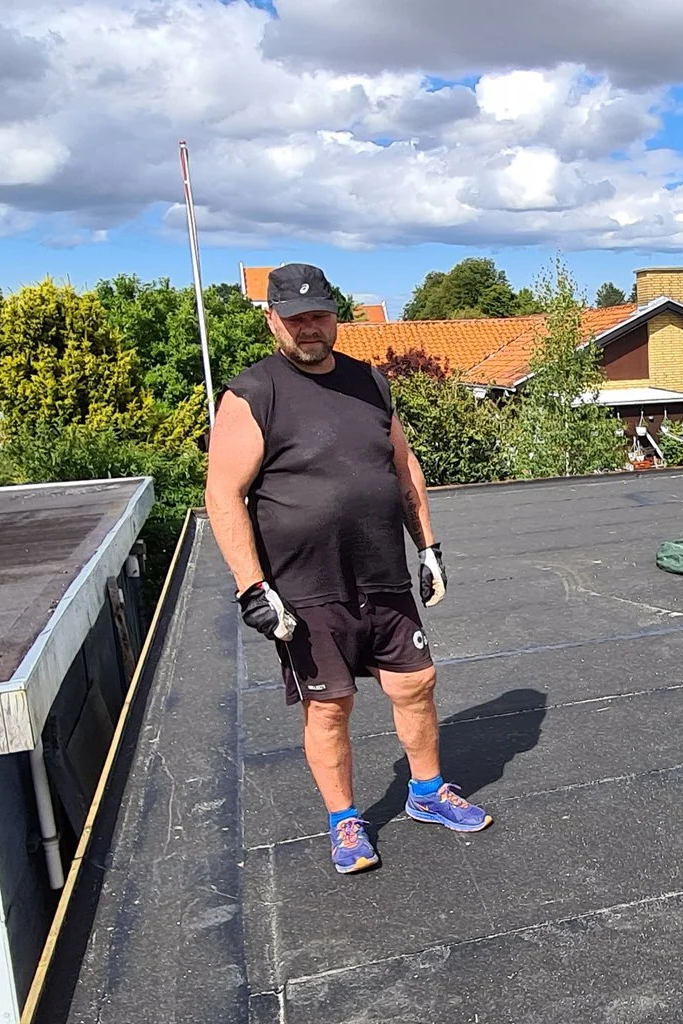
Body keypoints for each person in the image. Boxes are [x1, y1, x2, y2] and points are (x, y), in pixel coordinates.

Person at [204, 262, 490, 874]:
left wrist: (429, 547)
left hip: (381, 571)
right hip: (304, 587)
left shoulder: (371, 383)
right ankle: (346, 823)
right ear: (272, 320)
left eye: (320, 316)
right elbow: (221, 494)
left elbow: (403, 467)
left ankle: (426, 793)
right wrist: (252, 588)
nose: (310, 328)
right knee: (330, 705)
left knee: (416, 683)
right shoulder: (253, 393)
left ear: (337, 316)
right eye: (296, 318)